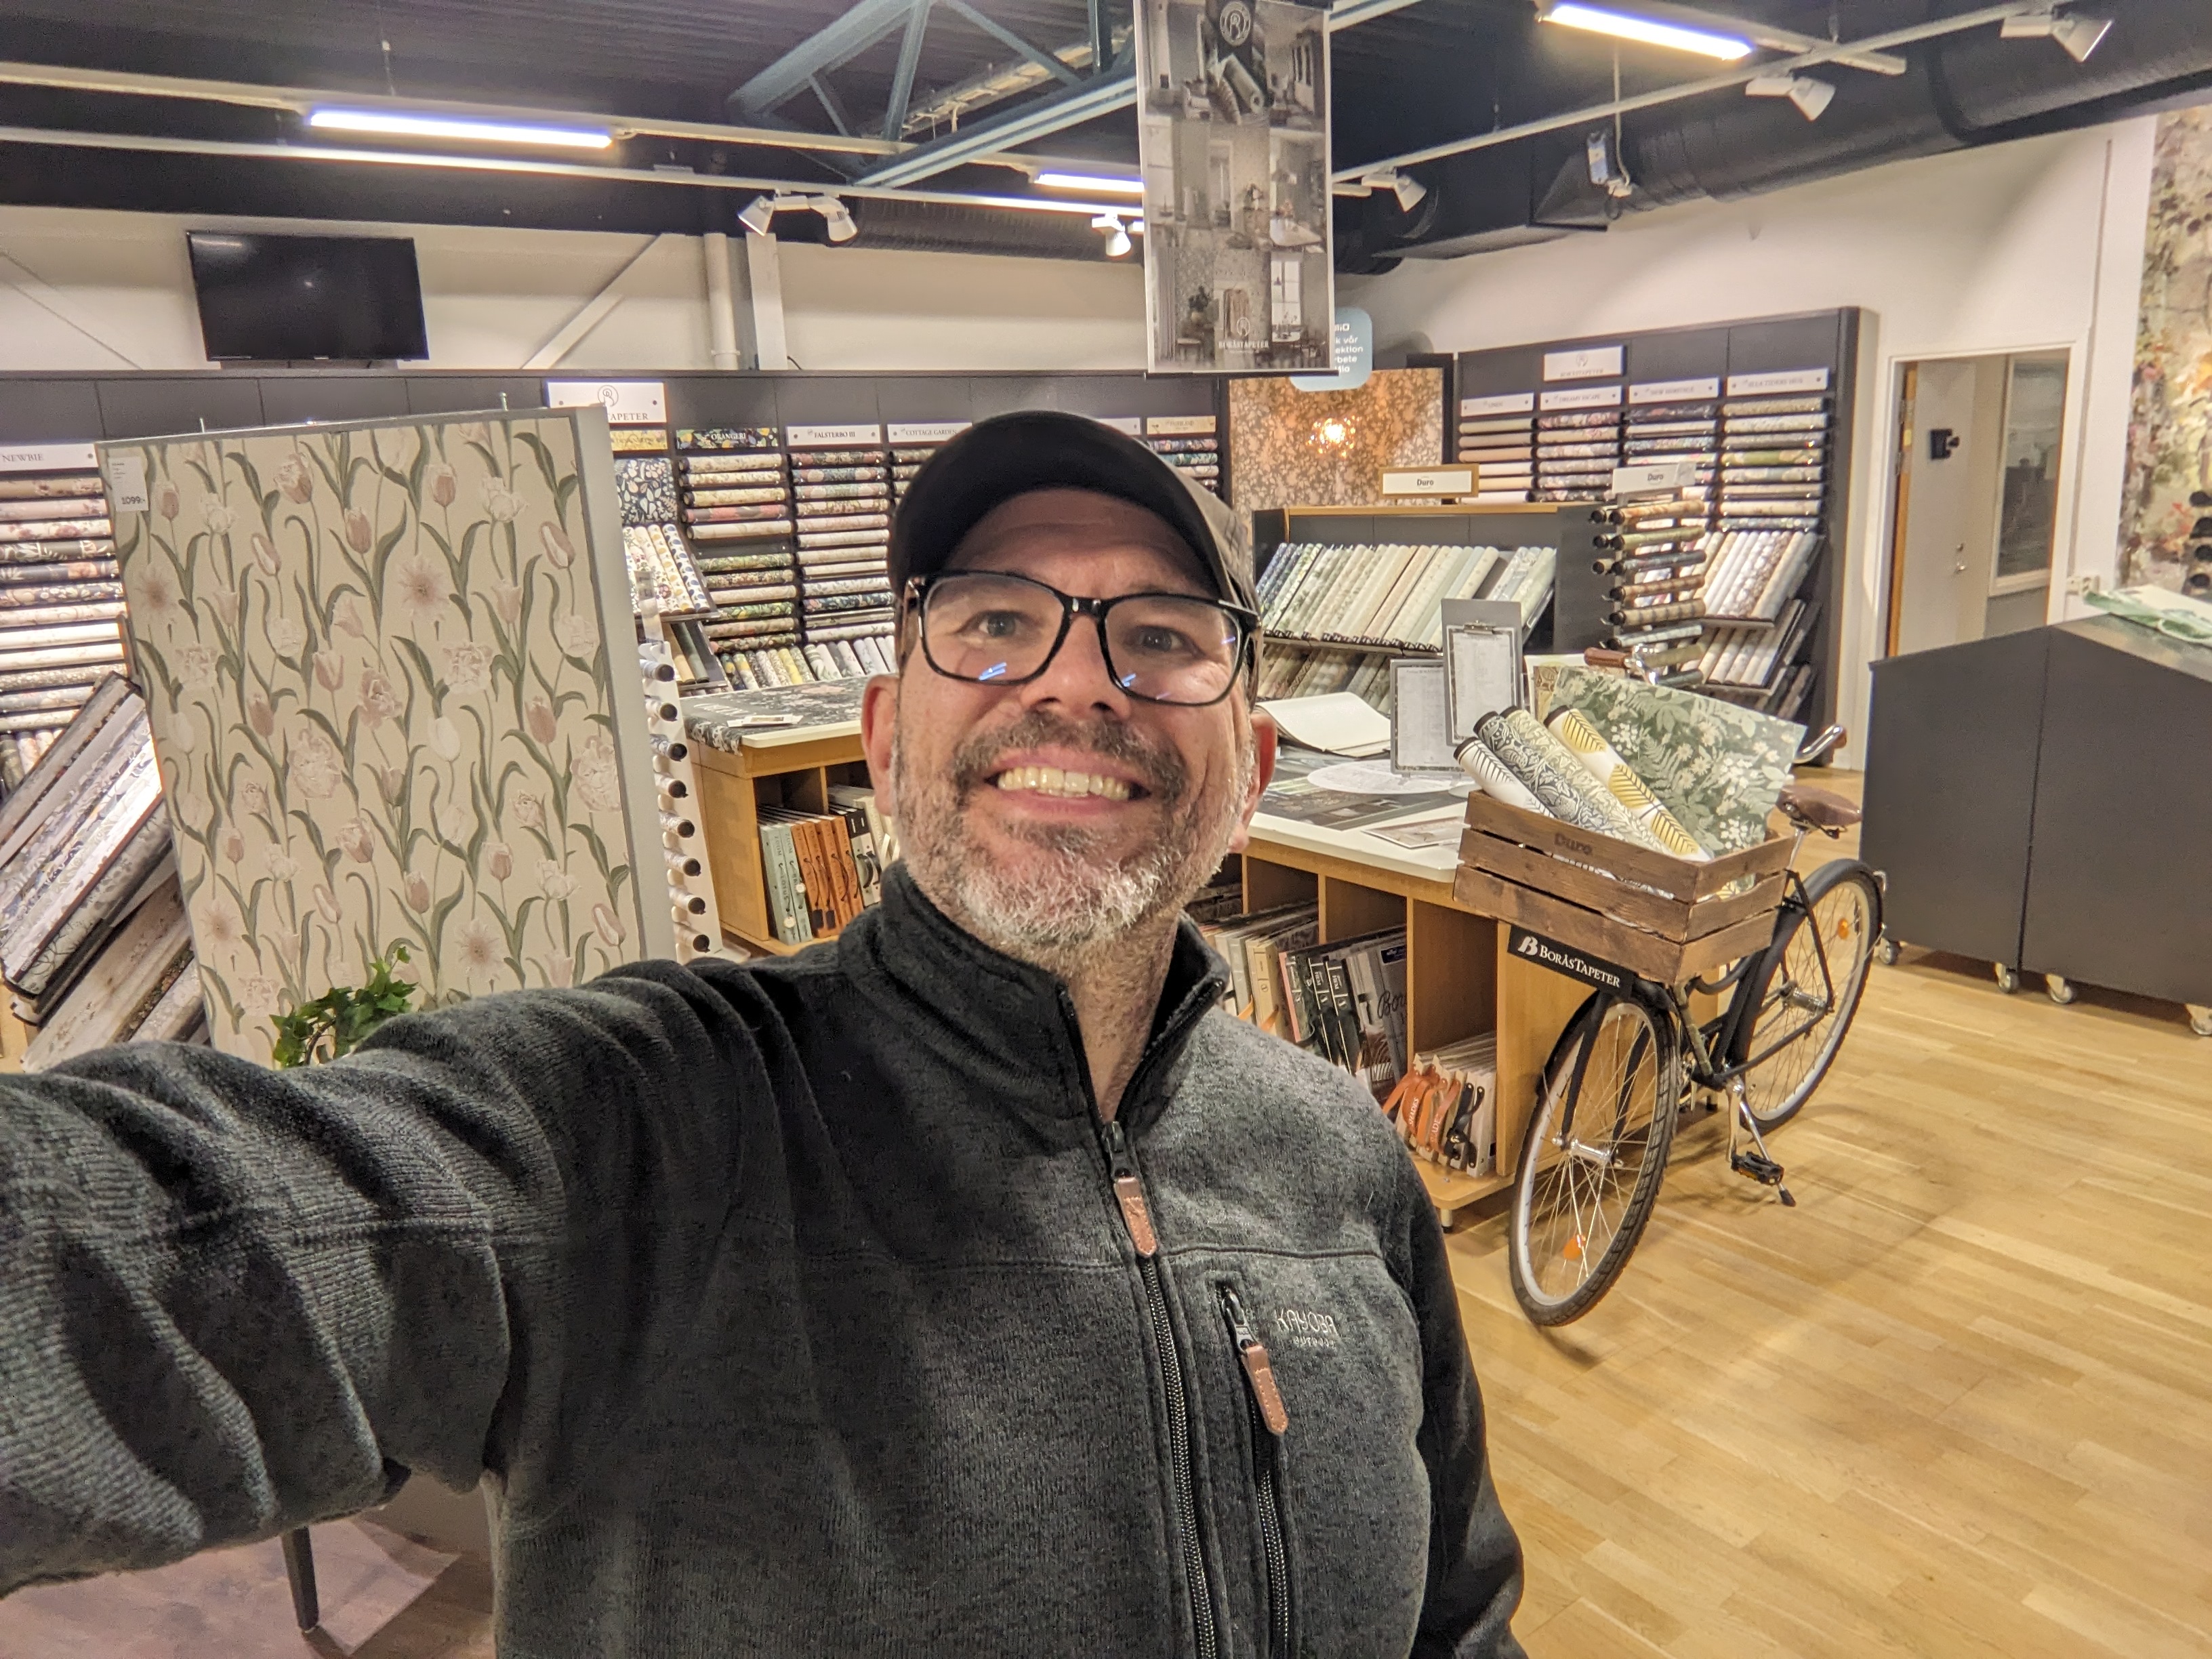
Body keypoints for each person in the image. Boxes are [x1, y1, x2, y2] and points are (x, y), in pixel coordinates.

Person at [0, 411, 1524, 1657]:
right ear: (885, 742)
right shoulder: (637, 1134)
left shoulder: (1341, 1160)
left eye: (1163, 634)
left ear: (1250, 770)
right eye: (995, 622)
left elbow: (1460, 1619)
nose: (1075, 680)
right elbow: (166, 1248)